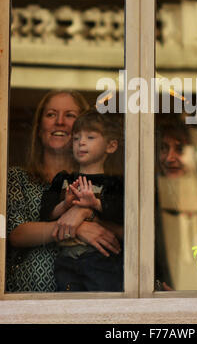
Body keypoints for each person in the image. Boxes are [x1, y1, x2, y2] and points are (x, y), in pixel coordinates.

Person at [6, 90, 121, 293]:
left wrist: (87, 213)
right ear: (39, 127)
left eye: (69, 115)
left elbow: (129, 233)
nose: (59, 122)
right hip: (28, 300)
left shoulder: (108, 181)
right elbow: (15, 233)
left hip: (92, 296)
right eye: (51, 114)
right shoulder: (18, 177)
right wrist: (75, 228)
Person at [40, 110, 124, 292]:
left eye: (90, 137)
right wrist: (65, 204)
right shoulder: (63, 180)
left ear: (111, 146)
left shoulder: (114, 182)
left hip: (101, 261)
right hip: (66, 260)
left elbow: (121, 214)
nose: (81, 143)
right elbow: (45, 213)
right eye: (77, 138)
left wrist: (95, 204)